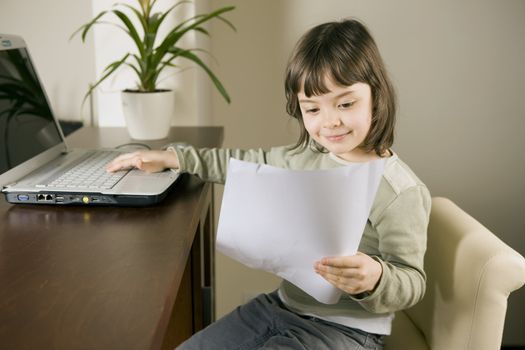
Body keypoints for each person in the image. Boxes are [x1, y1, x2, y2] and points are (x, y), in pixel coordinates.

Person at [107, 18, 431, 350]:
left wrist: (375, 277)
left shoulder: (400, 190)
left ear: (376, 96)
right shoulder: (305, 157)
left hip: (347, 331)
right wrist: (175, 158)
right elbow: (241, 163)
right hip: (280, 307)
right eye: (312, 109)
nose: (329, 121)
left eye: (345, 104)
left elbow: (411, 281)